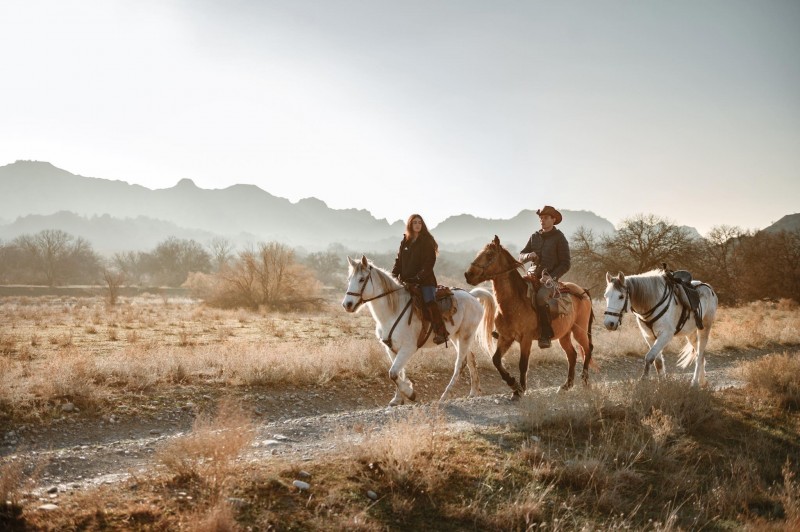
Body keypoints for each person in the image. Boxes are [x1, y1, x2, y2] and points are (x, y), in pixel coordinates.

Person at [391, 214, 449, 344]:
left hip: (425, 281)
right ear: (410, 225)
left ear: (422, 225)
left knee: (429, 301)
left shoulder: (427, 240)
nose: (417, 225)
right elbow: (399, 261)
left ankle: (441, 332)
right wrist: (393, 275)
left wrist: (418, 277)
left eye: (419, 222)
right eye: (414, 222)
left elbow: (429, 263)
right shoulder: (405, 241)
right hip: (406, 281)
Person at [518, 205, 571, 348]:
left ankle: (545, 335)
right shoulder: (534, 236)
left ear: (553, 219)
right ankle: (510, 328)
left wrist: (551, 277)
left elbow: (565, 264)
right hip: (531, 276)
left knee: (541, 297)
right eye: (541, 218)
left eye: (546, 218)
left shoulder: (560, 238)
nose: (542, 220)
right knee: (515, 291)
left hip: (549, 280)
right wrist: (529, 255)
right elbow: (521, 256)